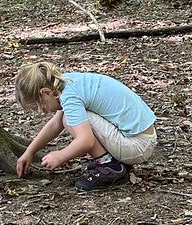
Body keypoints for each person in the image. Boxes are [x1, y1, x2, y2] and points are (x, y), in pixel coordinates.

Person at [15, 61, 157, 191]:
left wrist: (60, 156)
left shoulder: (69, 97)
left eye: (40, 106)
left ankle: (110, 166)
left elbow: (85, 140)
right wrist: (30, 152)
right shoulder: (66, 82)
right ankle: (113, 161)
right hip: (142, 139)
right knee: (66, 118)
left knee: (68, 119)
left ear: (45, 92)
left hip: (138, 146)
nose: (43, 111)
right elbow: (54, 124)